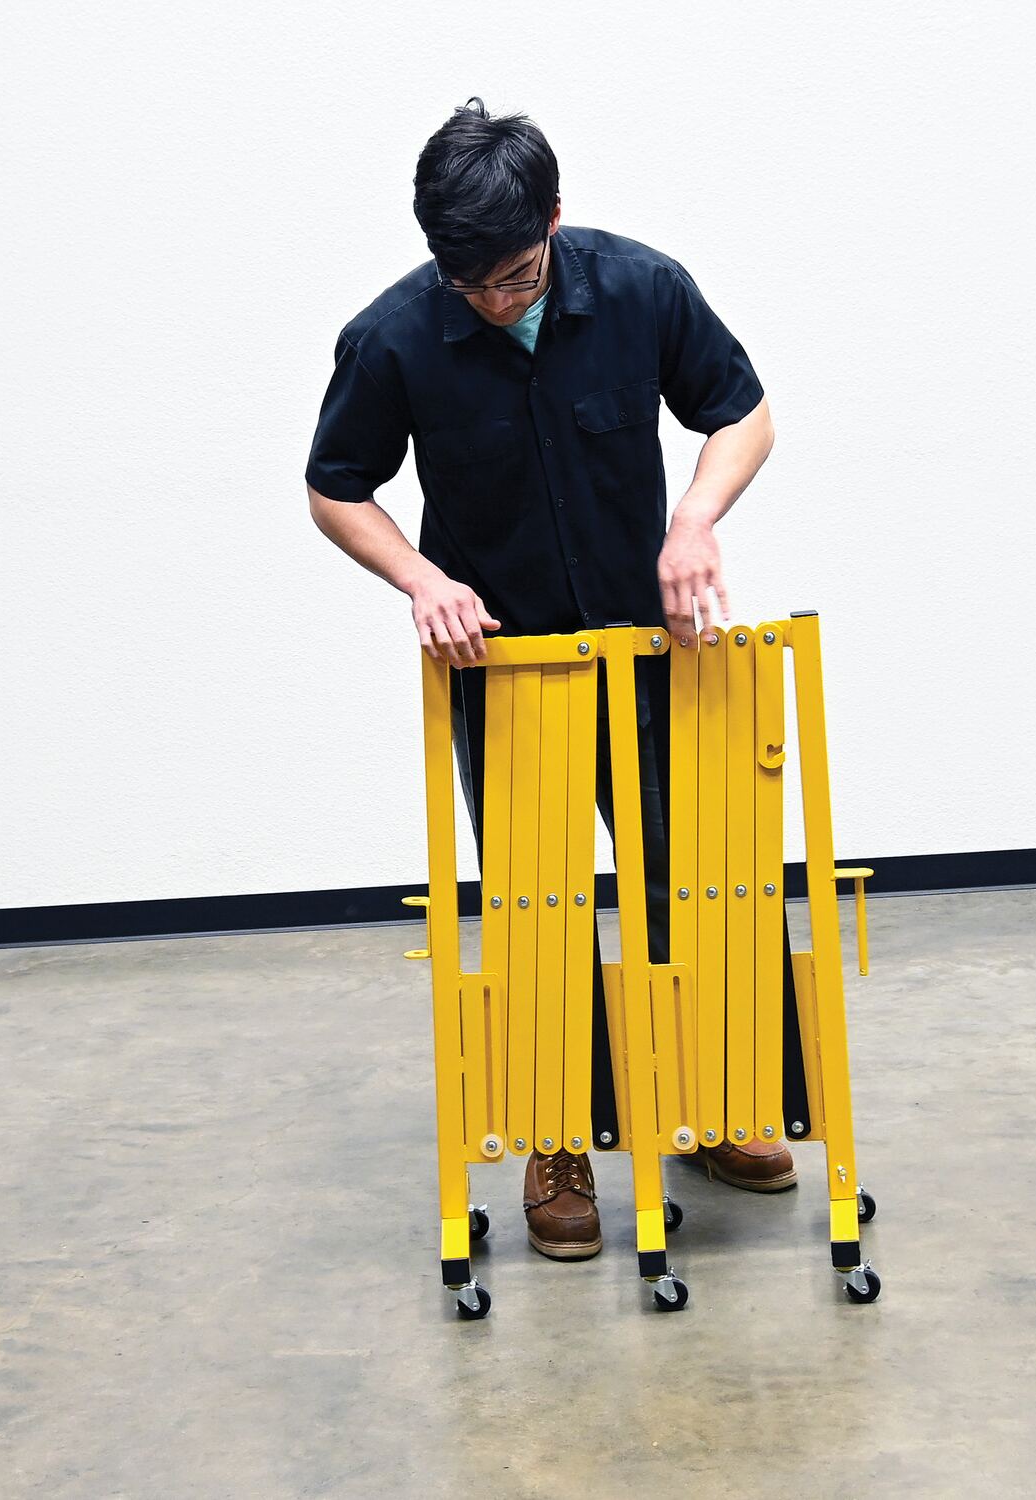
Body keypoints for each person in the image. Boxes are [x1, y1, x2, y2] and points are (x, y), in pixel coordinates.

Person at [306, 97, 798, 1262]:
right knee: (542, 904)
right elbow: (334, 487)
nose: (495, 300)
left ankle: (716, 1099)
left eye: (517, 275)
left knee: (695, 880)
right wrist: (422, 578)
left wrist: (695, 520)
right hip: (511, 673)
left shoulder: (641, 289)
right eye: (469, 282)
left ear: (555, 221)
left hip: (654, 656)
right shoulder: (393, 337)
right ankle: (559, 1139)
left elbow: (744, 415)